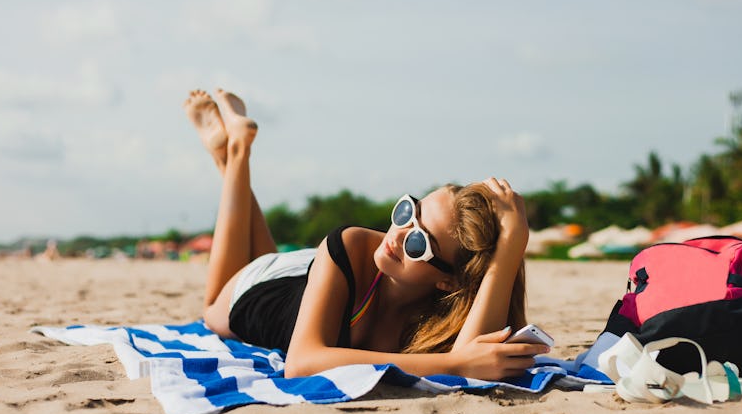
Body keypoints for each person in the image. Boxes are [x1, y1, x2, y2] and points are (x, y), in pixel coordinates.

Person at [184, 89, 549, 380]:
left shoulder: (444, 314)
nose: (396, 234)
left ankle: (227, 151)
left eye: (418, 243)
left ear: (447, 282)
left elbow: (474, 355)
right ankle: (236, 151)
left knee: (273, 265)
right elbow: (302, 362)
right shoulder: (354, 242)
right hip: (268, 285)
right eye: (408, 211)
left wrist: (510, 247)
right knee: (213, 309)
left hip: (308, 279)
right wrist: (452, 365)